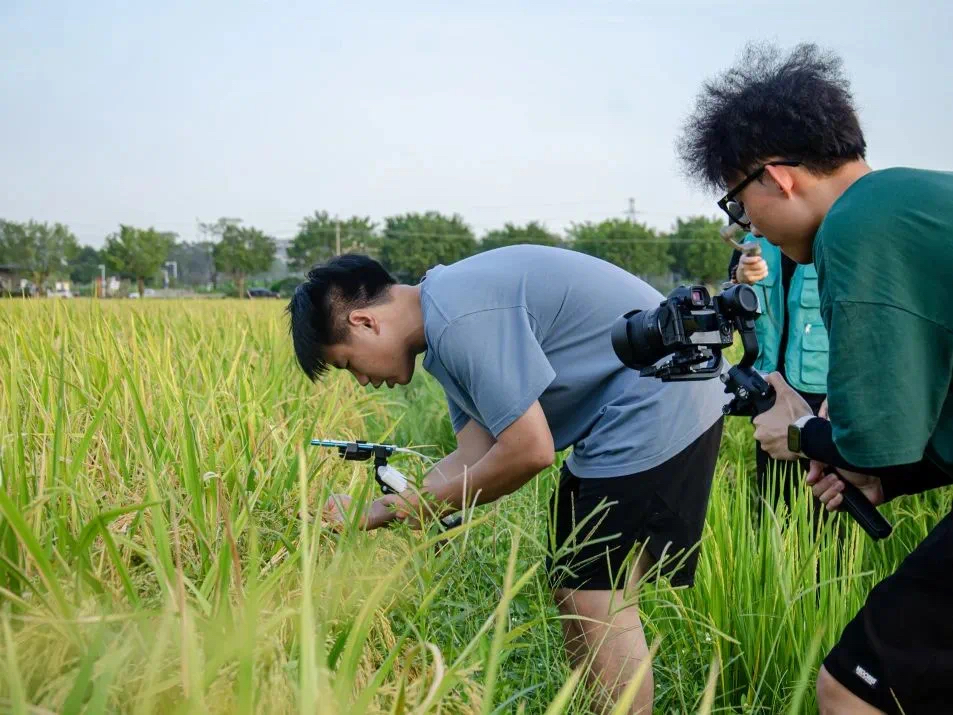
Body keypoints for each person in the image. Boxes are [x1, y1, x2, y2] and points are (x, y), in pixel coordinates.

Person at [287, 246, 728, 713]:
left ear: (364, 322)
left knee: (597, 597)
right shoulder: (445, 321)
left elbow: (528, 451)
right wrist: (375, 510)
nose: (360, 380)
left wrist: (416, 507)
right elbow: (474, 455)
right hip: (636, 408)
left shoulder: (458, 317)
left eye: (348, 364)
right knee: (575, 590)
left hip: (662, 399)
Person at [678, 41, 953, 714]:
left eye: (738, 204)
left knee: (853, 688)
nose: (750, 227)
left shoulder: (855, 227)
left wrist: (798, 431)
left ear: (777, 178)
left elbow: (877, 437)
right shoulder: (916, 201)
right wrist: (890, 480)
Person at [728, 234, 829, 506]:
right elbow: (730, 308)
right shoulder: (752, 241)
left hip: (823, 399)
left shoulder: (841, 234)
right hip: (769, 394)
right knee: (775, 500)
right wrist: (740, 280)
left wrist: (844, 389)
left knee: (828, 503)